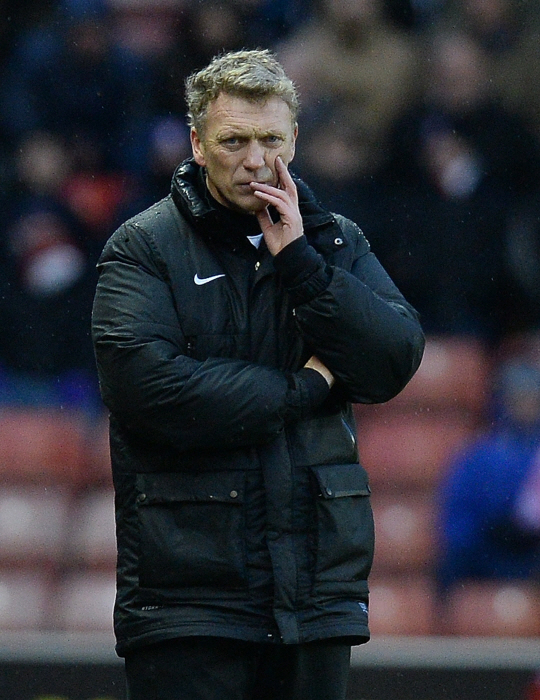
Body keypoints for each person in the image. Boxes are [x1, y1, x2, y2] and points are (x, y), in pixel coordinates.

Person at [91, 49, 425, 700]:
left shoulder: (332, 242)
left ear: (294, 140)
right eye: (233, 141)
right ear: (197, 144)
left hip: (316, 600)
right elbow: (150, 391)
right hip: (190, 605)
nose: (254, 160)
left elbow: (392, 362)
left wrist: (301, 264)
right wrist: (307, 387)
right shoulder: (143, 247)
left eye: (270, 140)